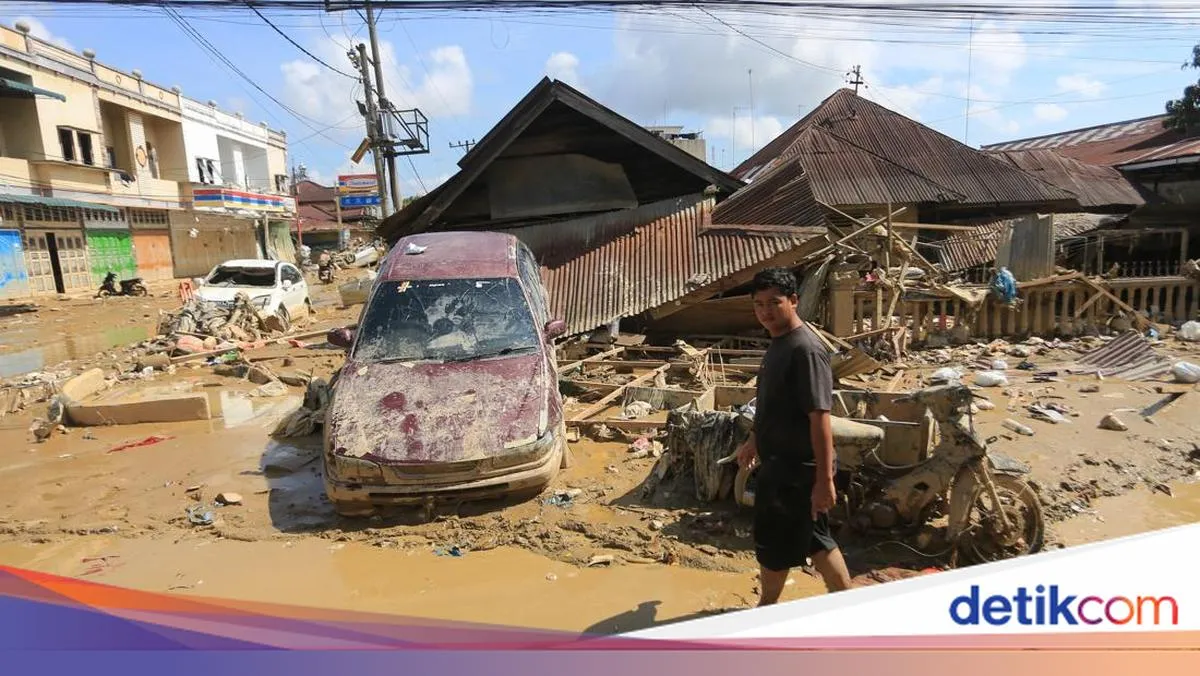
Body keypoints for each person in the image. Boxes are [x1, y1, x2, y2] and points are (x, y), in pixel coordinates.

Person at [736, 267, 854, 606]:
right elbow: (773, 403)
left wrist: (823, 479)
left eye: (774, 302)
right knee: (816, 539)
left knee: (775, 544)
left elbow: (819, 417)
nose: (765, 312)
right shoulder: (779, 343)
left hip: (796, 471)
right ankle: (847, 606)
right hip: (782, 464)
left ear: (794, 301)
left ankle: (767, 608)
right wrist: (754, 440)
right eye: (758, 304)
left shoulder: (806, 350)